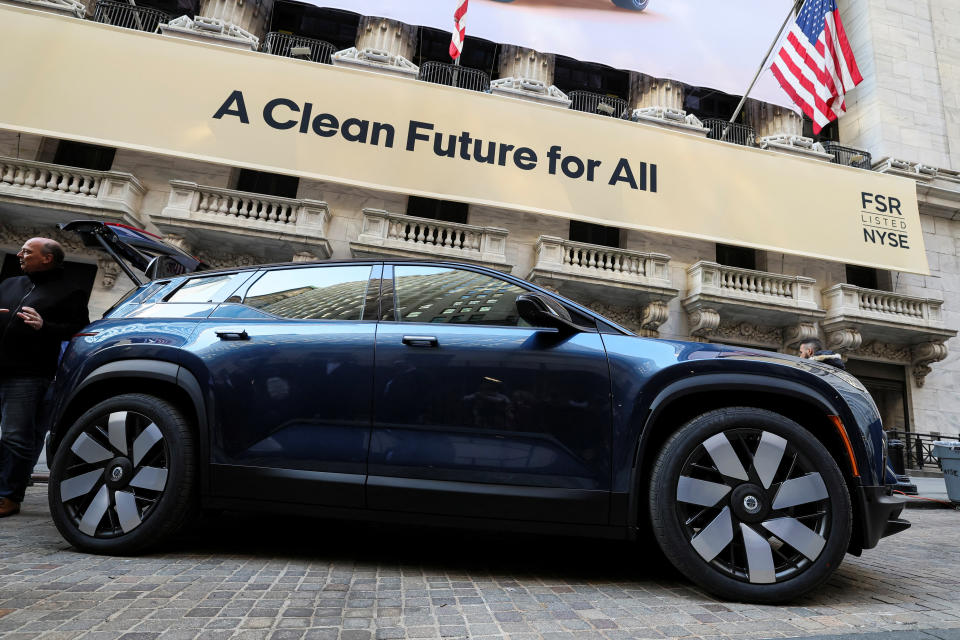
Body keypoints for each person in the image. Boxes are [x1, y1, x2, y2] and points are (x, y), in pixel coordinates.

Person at [0, 237, 89, 517]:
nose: (20, 255)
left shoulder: (70, 292)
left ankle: (8, 496)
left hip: (28, 375)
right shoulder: (9, 284)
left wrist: (44, 325)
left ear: (47, 258)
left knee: (15, 437)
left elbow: (79, 331)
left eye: (27, 251)